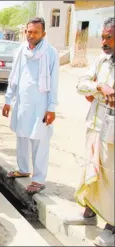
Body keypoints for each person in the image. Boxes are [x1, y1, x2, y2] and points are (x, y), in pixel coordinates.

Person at [65, 17, 114, 246]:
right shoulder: (101, 61)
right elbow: (81, 84)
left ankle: (111, 227)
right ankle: (88, 214)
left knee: (109, 177)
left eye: (108, 37)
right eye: (102, 37)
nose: (104, 42)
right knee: (90, 171)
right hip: (93, 126)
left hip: (111, 131)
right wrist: (98, 87)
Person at [2, 17, 59, 194]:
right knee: (22, 136)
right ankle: (23, 169)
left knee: (39, 140)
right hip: (22, 102)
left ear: (43, 33)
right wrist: (7, 100)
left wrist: (51, 108)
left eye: (35, 32)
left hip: (41, 104)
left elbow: (54, 82)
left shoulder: (50, 53)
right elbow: (14, 77)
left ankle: (39, 179)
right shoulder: (21, 51)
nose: (31, 35)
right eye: (28, 31)